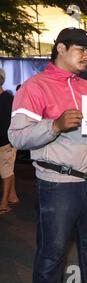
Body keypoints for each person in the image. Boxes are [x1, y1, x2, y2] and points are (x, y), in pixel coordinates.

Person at [8, 27, 87, 283]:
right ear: (60, 48)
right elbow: (16, 136)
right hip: (59, 184)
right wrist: (55, 125)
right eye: (81, 49)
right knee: (52, 251)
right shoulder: (34, 87)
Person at [0, 69, 19, 214]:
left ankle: (4, 203)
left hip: (6, 143)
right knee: (7, 170)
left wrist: (13, 142)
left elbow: (14, 123)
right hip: (5, 143)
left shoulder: (9, 99)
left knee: (5, 172)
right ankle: (12, 196)